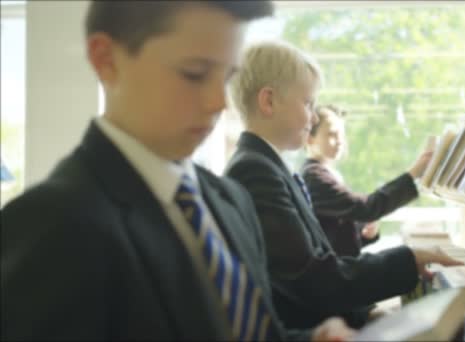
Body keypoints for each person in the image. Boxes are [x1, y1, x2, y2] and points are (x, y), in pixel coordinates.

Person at [0, 2, 355, 341]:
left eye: (226, 76)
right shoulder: (51, 224)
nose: (219, 102)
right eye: (194, 74)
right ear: (106, 60)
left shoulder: (231, 201)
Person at [224, 40, 461, 330]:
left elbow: (315, 268)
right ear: (268, 101)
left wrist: (367, 315)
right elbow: (312, 282)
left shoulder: (267, 166)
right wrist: (408, 262)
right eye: (308, 103)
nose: (313, 118)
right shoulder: (256, 171)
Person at [301, 104, 430, 257]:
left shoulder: (325, 173)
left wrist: (364, 234)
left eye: (341, 135)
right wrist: (414, 172)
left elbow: (334, 232)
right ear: (309, 138)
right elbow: (366, 208)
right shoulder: (315, 177)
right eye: (332, 134)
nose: (340, 141)